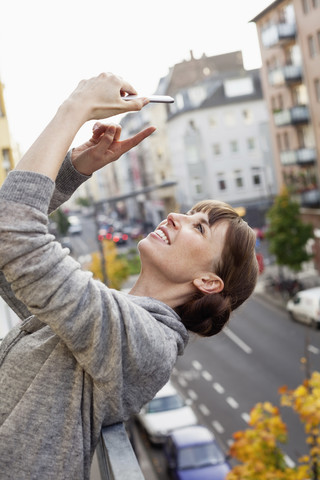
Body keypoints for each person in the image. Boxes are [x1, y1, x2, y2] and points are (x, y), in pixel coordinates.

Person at [0, 73, 258, 479]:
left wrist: (75, 108)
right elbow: (8, 259)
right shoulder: (116, 315)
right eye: (189, 213)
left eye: (199, 227)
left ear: (209, 282)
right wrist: (76, 167)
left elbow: (16, 237)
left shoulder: (145, 342)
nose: (175, 216)